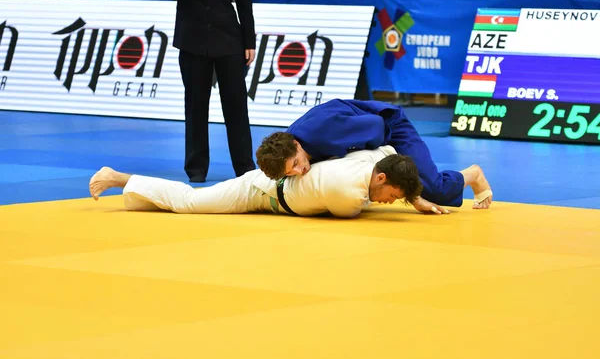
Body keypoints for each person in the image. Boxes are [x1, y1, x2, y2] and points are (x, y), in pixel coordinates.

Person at [255, 98, 493, 210]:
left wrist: (409, 189)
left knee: (431, 189)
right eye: (292, 171)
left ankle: (472, 174)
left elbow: (377, 127)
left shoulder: (325, 132)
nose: (300, 171)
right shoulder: (286, 149)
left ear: (297, 145)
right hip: (364, 134)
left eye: (297, 163)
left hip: (390, 127)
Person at [88, 146, 444, 218]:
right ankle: (117, 177)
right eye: (391, 195)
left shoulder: (373, 159)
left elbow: (391, 153)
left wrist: (412, 196)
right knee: (191, 203)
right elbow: (359, 208)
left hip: (274, 192)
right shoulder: (348, 195)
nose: (386, 201)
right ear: (379, 178)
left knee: (191, 202)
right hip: (258, 192)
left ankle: (138, 194)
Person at [171, 0, 257, 183]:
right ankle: (196, 168)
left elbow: (244, 1)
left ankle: (245, 167)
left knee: (236, 107)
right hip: (192, 41)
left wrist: (249, 41)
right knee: (195, 107)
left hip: (229, 41)